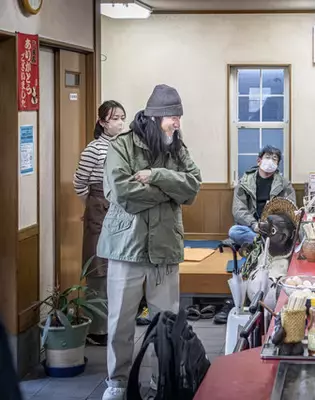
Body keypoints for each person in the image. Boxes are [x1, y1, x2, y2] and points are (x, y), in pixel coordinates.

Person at [98, 84, 202, 400]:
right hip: (126, 247)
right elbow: (122, 193)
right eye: (173, 116)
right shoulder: (122, 147)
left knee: (165, 324)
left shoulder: (177, 148)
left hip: (165, 248)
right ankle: (117, 382)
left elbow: (193, 188)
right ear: (156, 117)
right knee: (120, 323)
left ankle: (163, 379)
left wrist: (156, 175)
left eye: (179, 116)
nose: (178, 123)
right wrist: (170, 193)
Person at [73, 100, 125, 346]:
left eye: (121, 118)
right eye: (114, 118)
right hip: (98, 205)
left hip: (119, 208)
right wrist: (93, 204)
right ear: (102, 122)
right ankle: (97, 329)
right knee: (98, 268)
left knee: (116, 266)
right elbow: (79, 182)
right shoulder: (94, 148)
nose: (119, 122)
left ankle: (113, 324)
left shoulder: (123, 145)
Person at [229, 145, 296, 246]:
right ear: (259, 161)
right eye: (267, 157)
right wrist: (254, 224)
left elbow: (290, 208)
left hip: (275, 228)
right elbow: (238, 210)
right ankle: (264, 243)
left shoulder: (285, 184)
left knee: (298, 231)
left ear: (277, 164)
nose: (270, 161)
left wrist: (275, 225)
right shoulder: (244, 183)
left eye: (274, 159)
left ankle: (264, 243)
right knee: (234, 231)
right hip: (252, 228)